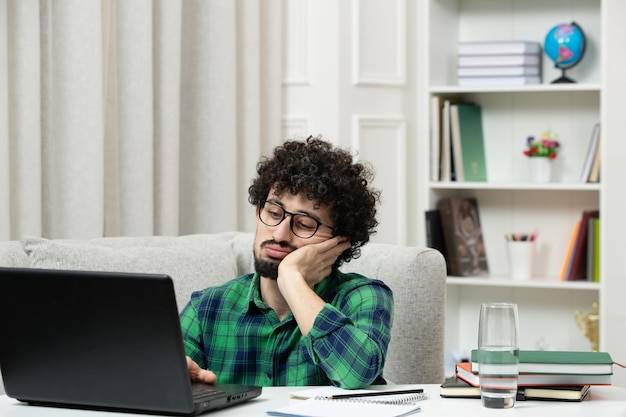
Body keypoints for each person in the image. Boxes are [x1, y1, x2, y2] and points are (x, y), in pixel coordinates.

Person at [179, 136, 394, 389]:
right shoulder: (206, 309)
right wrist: (172, 379)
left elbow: (356, 374)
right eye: (273, 213)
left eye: (304, 224)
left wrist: (292, 279)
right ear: (258, 213)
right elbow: (163, 384)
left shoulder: (364, 297)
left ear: (339, 241)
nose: (280, 235)